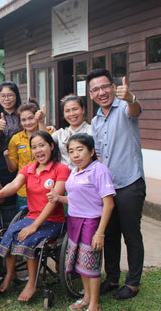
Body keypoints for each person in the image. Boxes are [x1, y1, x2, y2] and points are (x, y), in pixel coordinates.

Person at [0, 131, 70, 302]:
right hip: (31, 216)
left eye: (42, 145)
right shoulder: (28, 169)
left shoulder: (61, 169)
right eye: (34, 147)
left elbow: (54, 201)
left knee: (28, 239)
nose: (38, 150)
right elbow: (14, 184)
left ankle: (31, 283)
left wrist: (34, 226)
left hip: (53, 221)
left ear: (51, 146)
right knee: (9, 234)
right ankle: (10, 275)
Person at [87, 69, 146, 300]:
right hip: (108, 187)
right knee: (109, 233)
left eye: (105, 87)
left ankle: (132, 283)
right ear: (90, 95)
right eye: (96, 89)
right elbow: (99, 155)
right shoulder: (95, 120)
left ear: (113, 87)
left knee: (131, 234)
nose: (101, 92)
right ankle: (112, 278)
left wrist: (130, 97)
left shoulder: (125, 107)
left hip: (130, 182)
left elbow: (135, 109)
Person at [47, 133, 115, 311]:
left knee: (91, 264)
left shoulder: (99, 170)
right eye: (71, 151)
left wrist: (100, 232)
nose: (75, 155)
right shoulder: (75, 172)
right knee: (81, 263)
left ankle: (94, 304)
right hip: (74, 221)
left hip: (91, 223)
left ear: (91, 151)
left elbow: (108, 203)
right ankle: (86, 297)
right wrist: (58, 198)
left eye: (80, 150)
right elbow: (76, 199)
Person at [0, 81, 23, 226]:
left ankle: (23, 219)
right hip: (1, 159)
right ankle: (6, 227)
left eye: (10, 95)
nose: (6, 99)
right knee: (6, 193)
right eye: (3, 96)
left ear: (16, 96)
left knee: (22, 190)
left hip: (23, 158)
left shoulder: (22, 114)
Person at [5, 101, 47, 210]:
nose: (27, 122)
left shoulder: (48, 132)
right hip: (24, 190)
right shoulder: (16, 139)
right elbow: (12, 168)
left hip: (45, 187)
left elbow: (46, 143)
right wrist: (7, 158)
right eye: (23, 120)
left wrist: (42, 122)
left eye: (31, 118)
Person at [51, 95, 91, 170]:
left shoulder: (91, 131)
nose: (72, 114)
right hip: (64, 178)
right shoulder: (60, 134)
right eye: (67, 111)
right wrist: (41, 122)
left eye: (75, 109)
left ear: (83, 109)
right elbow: (44, 143)